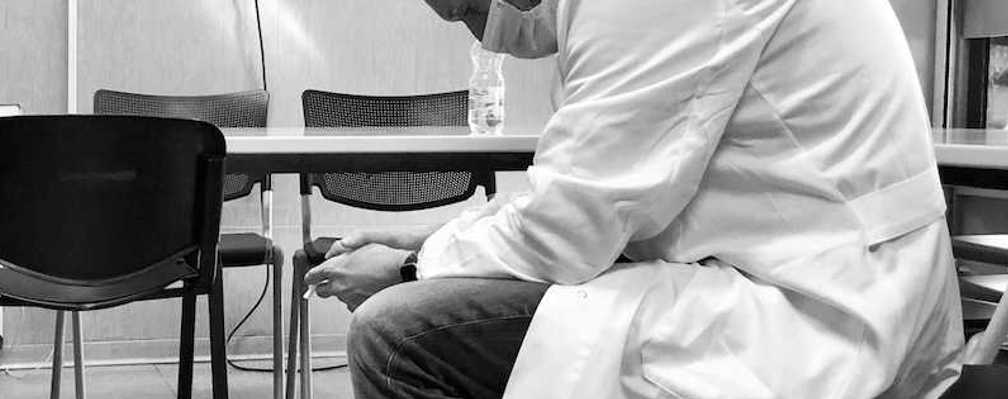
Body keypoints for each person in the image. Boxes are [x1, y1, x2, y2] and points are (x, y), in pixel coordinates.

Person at [305, 0, 965, 397]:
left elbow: (572, 227)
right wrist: (422, 247)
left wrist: (407, 270)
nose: (472, 28)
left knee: (395, 335)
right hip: (816, 269)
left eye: (473, 8)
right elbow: (580, 191)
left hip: (822, 316)